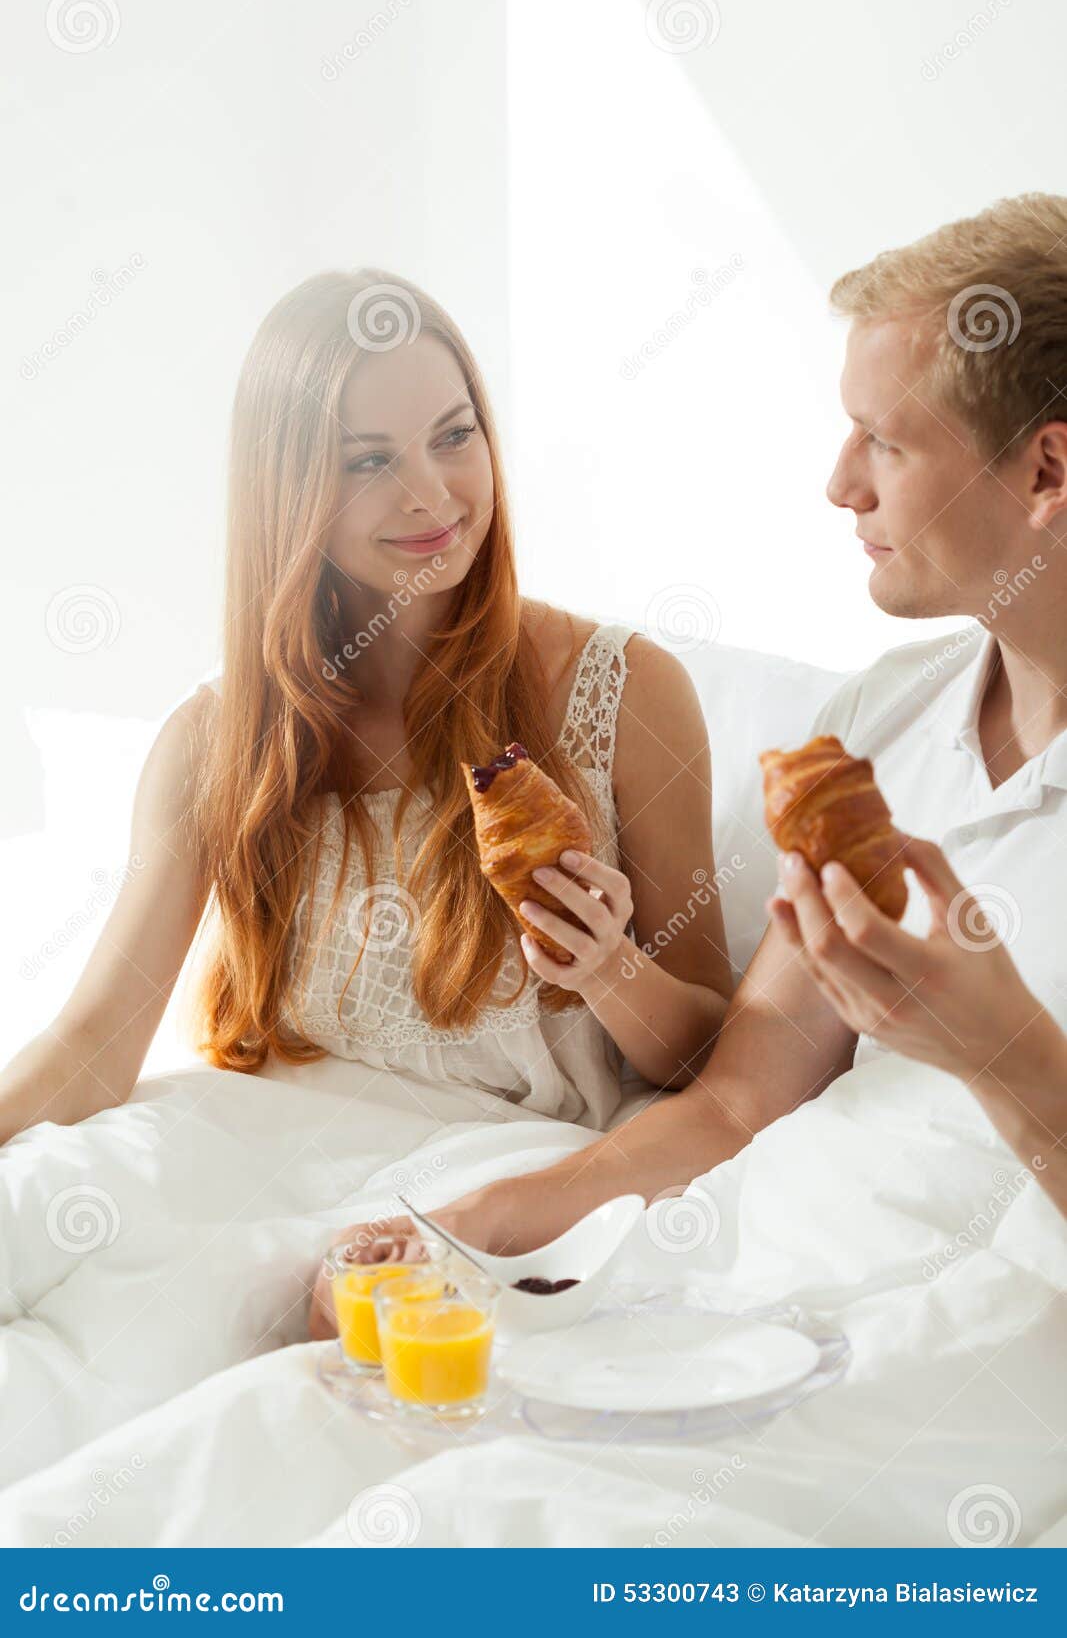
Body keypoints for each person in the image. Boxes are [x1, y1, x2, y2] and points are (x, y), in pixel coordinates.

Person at [313, 194, 1067, 1333]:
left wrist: (1003, 1055)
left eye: (886, 440)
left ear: (1046, 470)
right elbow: (735, 1102)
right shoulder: (878, 724)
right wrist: (473, 1223)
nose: (840, 483)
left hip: (972, 1335)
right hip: (736, 1277)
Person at [0, 270, 733, 1148]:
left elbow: (706, 1055)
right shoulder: (212, 741)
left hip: (514, 1177)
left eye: (453, 436)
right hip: (262, 1160)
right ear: (285, 486)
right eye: (369, 460)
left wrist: (606, 968)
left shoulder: (627, 691)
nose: (430, 494)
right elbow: (93, 1045)